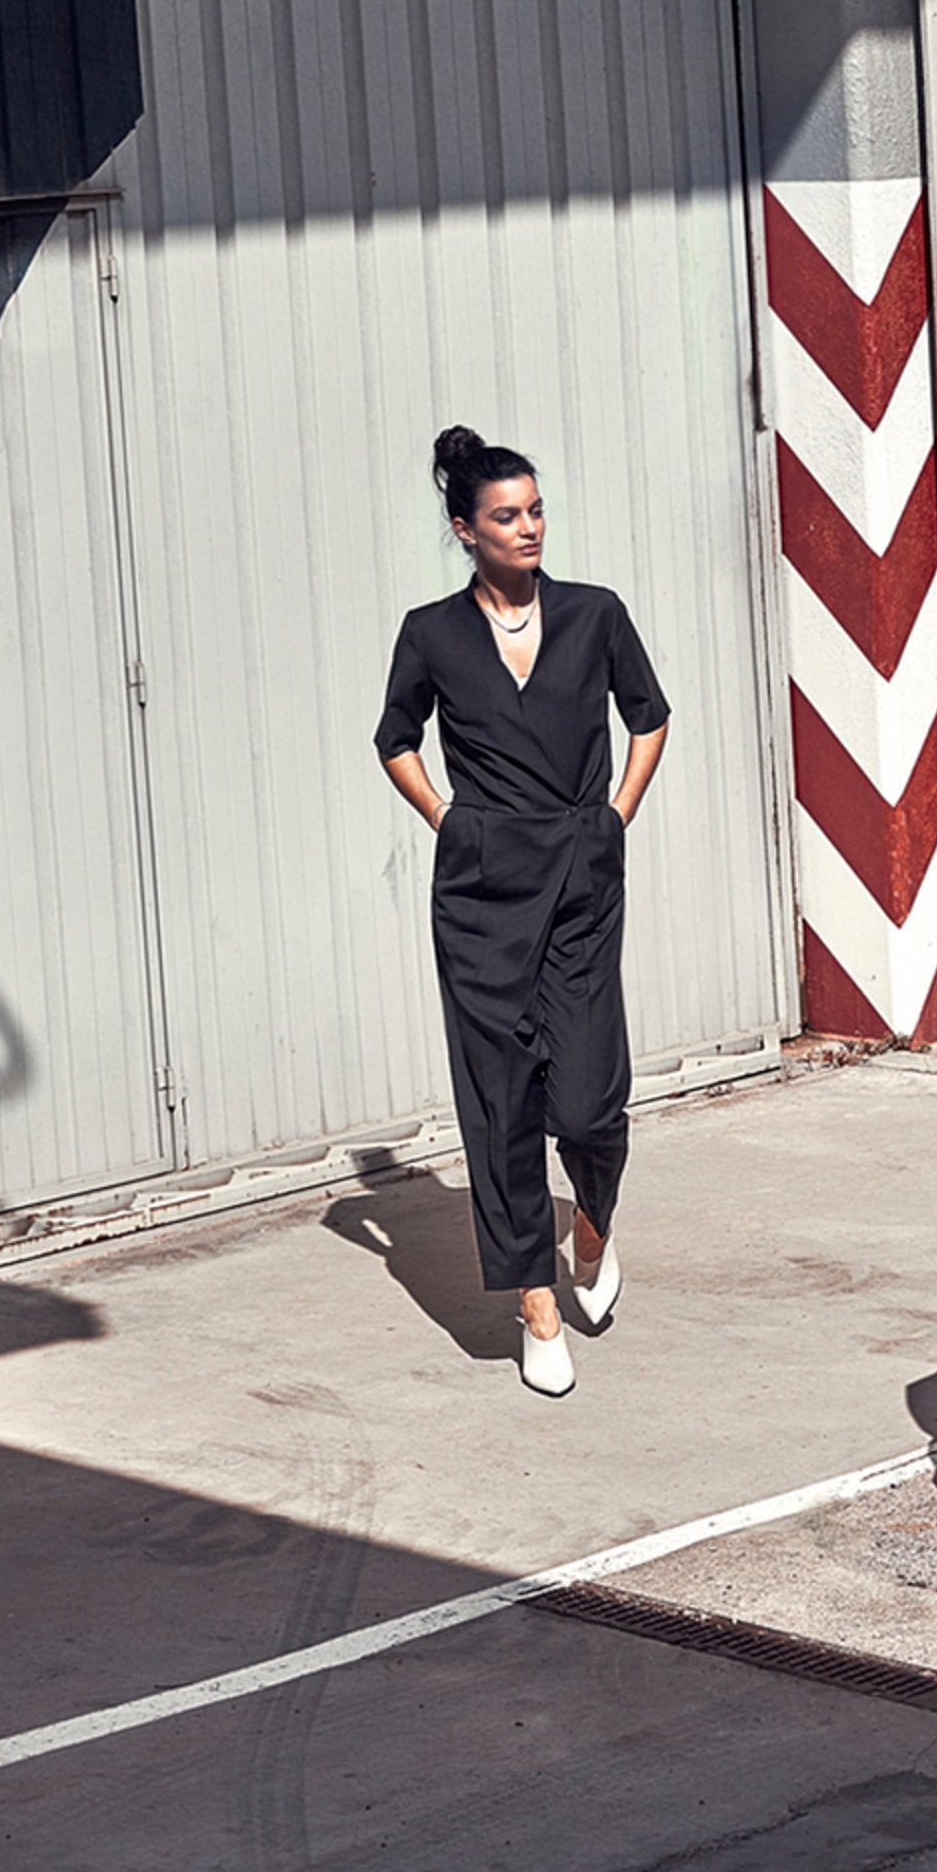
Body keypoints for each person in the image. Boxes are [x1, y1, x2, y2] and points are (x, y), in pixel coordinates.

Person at [375, 427, 670, 1396]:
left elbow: (650, 716)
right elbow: (394, 739)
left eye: (536, 510)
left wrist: (616, 815)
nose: (529, 527)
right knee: (500, 1098)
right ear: (466, 530)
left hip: (581, 872)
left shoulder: (594, 614)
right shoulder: (431, 633)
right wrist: (445, 817)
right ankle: (536, 1304)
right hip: (482, 889)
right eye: (506, 516)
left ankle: (591, 1224)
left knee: (589, 1099)